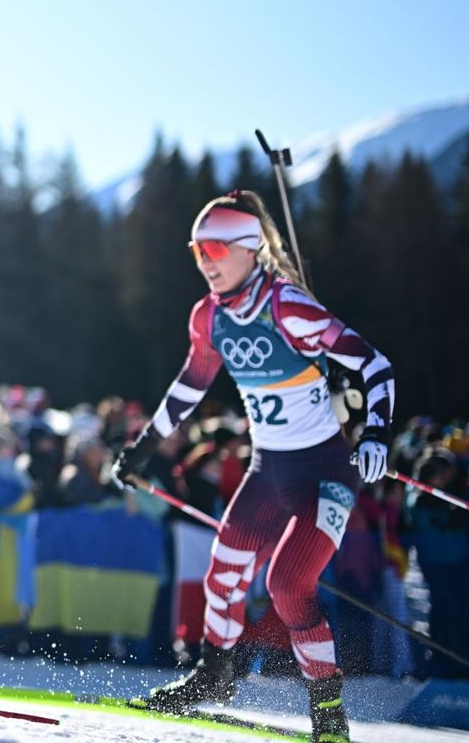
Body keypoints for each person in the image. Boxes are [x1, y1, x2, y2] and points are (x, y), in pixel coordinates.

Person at [113, 191, 397, 743]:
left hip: (325, 472)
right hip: (267, 469)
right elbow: (190, 386)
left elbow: (375, 365)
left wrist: (377, 433)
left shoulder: (288, 307)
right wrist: (142, 450)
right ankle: (213, 677)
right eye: (197, 250)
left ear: (249, 248)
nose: (206, 262)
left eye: (216, 249)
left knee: (288, 584)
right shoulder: (209, 316)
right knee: (223, 569)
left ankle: (329, 715)